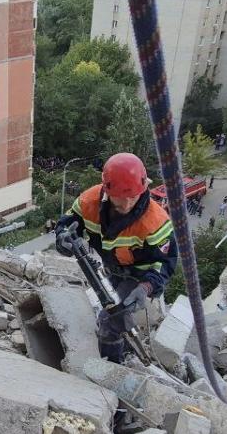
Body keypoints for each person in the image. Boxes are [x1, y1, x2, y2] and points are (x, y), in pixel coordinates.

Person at [54, 153, 178, 361]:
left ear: (143, 188)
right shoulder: (88, 202)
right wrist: (63, 238)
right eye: (120, 199)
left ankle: (112, 365)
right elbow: (66, 224)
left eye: (133, 197)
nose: (127, 204)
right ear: (106, 190)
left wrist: (146, 287)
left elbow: (166, 263)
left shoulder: (155, 221)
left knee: (110, 320)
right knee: (114, 314)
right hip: (111, 270)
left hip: (140, 276)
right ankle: (125, 346)